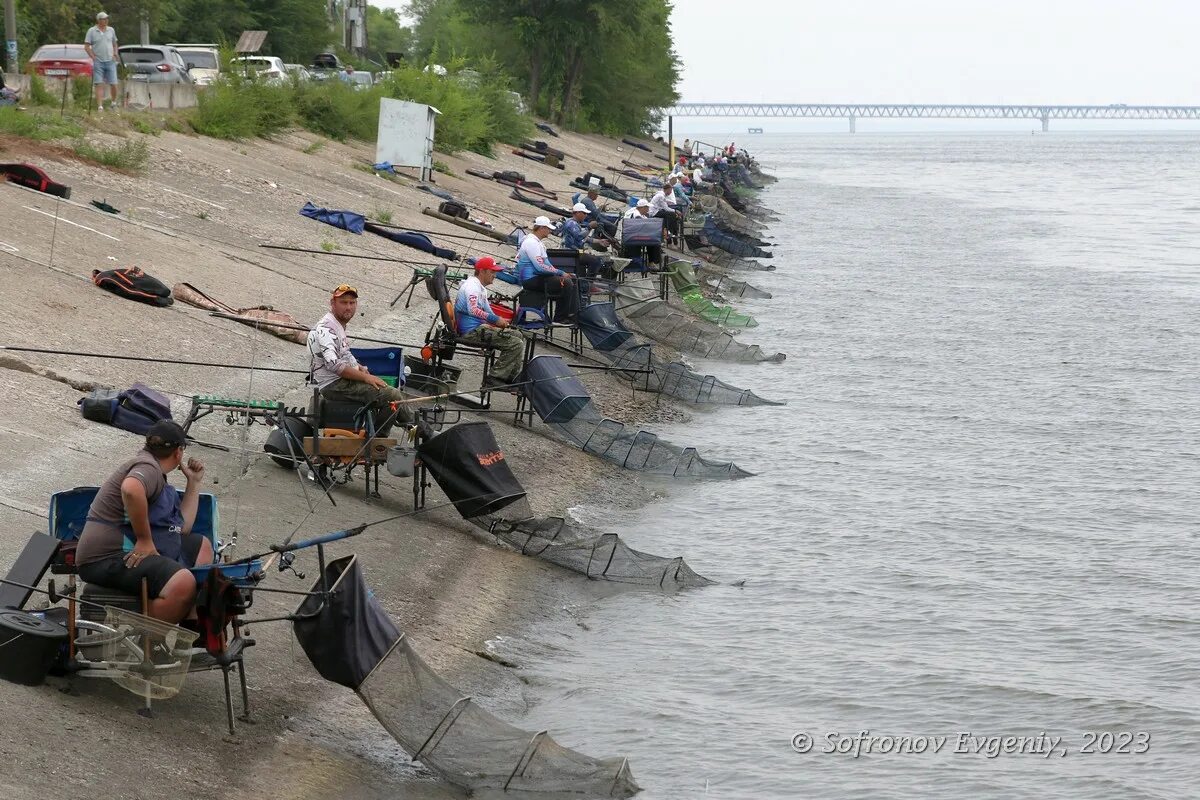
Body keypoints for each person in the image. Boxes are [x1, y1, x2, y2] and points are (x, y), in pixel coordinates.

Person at [75, 421, 212, 623]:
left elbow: (181, 528)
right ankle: (143, 637)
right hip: (106, 556)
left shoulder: (156, 472)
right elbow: (131, 489)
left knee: (202, 546)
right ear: (178, 452)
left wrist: (194, 482)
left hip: (126, 551)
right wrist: (144, 540)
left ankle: (188, 623)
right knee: (182, 584)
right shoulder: (148, 469)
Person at [307, 284, 425, 436]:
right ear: (332, 303)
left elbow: (345, 353)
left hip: (340, 381)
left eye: (352, 303)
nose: (348, 307)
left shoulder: (337, 325)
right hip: (334, 385)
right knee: (393, 396)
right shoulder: (326, 328)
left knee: (389, 389)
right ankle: (377, 439)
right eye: (343, 302)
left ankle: (417, 429)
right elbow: (335, 366)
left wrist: (359, 367)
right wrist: (366, 377)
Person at [454, 257, 526, 393]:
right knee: (515, 343)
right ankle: (493, 378)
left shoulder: (481, 289)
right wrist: (495, 320)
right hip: (471, 332)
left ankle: (510, 378)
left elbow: (488, 311)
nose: (495, 275)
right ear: (482, 271)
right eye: (492, 272)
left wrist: (500, 321)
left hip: (480, 328)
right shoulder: (472, 287)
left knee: (518, 334)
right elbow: (473, 310)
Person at [517, 216, 577, 322]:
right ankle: (560, 318)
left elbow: (547, 263)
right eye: (548, 229)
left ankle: (570, 314)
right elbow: (540, 267)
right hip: (530, 280)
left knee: (571, 280)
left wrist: (561, 273)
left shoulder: (538, 243)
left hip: (537, 277)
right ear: (541, 228)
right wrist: (560, 273)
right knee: (566, 283)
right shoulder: (531, 243)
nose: (549, 231)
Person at [83, 12, 119, 112]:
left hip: (110, 61)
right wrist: (93, 57)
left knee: (114, 84)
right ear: (99, 20)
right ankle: (100, 107)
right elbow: (86, 46)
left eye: (107, 18)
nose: (106, 20)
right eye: (104, 19)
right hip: (98, 61)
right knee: (99, 84)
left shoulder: (111, 30)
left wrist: (115, 53)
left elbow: (115, 44)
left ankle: (114, 103)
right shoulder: (92, 31)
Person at [562, 203, 604, 278]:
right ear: (577, 213)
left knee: (587, 259)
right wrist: (589, 227)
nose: (586, 215)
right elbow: (579, 237)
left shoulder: (574, 223)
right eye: (584, 213)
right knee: (596, 261)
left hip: (576, 251)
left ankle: (583, 282)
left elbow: (583, 238)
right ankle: (589, 283)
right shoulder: (571, 224)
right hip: (571, 252)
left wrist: (599, 241)